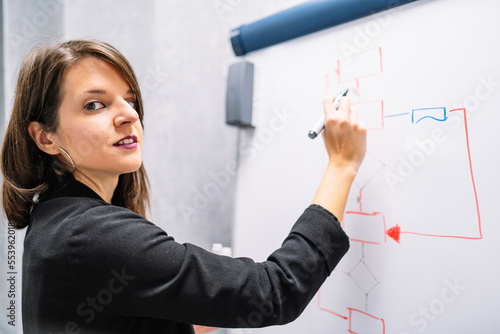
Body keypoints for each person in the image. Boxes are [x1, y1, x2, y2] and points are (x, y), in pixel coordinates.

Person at [1, 40, 366, 334]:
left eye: (130, 100)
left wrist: (186, 315)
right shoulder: (92, 234)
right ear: (44, 137)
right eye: (94, 105)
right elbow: (275, 291)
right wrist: (342, 165)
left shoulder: (55, 219)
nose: (129, 114)